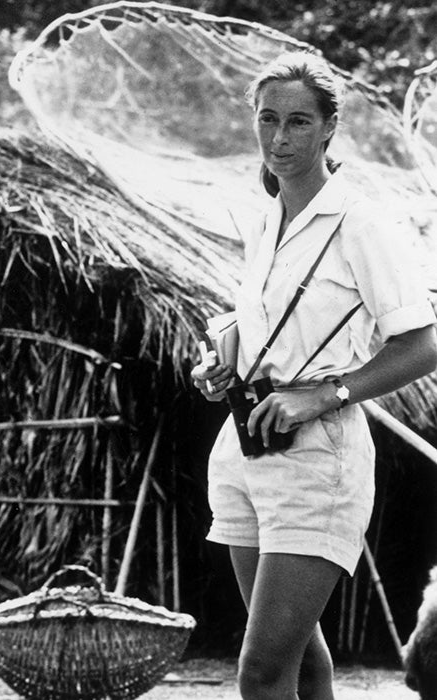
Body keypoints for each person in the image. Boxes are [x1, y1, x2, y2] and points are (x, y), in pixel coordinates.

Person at [191, 51, 437, 700]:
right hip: (246, 448)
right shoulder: (265, 219)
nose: (279, 139)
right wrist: (223, 365)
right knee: (299, 662)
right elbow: (261, 324)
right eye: (268, 120)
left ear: (330, 127)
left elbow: (422, 343)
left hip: (318, 458)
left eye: (298, 122)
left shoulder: (361, 223)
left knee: (261, 671)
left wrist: (324, 395)